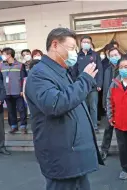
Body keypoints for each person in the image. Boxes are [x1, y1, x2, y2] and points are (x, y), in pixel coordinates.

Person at [25, 27, 103, 190]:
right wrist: (85, 81)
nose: (74, 53)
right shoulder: (39, 74)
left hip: (73, 155)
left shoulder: (60, 71)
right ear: (55, 45)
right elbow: (55, 104)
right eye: (71, 48)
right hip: (62, 157)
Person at [72, 35, 103, 132]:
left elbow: (100, 70)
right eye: (84, 42)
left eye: (88, 42)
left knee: (93, 106)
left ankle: (94, 126)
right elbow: (74, 72)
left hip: (93, 86)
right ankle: (85, 126)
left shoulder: (95, 55)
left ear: (90, 44)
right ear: (80, 44)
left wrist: (99, 84)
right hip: (81, 86)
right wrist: (75, 84)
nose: (86, 44)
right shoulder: (76, 56)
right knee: (83, 107)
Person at [100, 47, 121, 160]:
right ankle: (104, 150)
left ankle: (125, 150)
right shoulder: (107, 70)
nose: (114, 57)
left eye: (116, 54)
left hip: (122, 104)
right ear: (108, 57)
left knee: (121, 130)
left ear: (120, 55)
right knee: (108, 128)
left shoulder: (125, 68)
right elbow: (105, 88)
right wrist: (104, 103)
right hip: (110, 104)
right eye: (111, 55)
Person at [0, 47, 28, 134]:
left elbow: (24, 79)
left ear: (9, 55)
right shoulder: (2, 66)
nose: (2, 56)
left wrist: (22, 90)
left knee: (21, 109)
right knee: (10, 110)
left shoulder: (20, 65)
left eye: (4, 54)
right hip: (7, 93)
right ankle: (13, 126)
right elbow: (0, 79)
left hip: (18, 92)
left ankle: (23, 126)